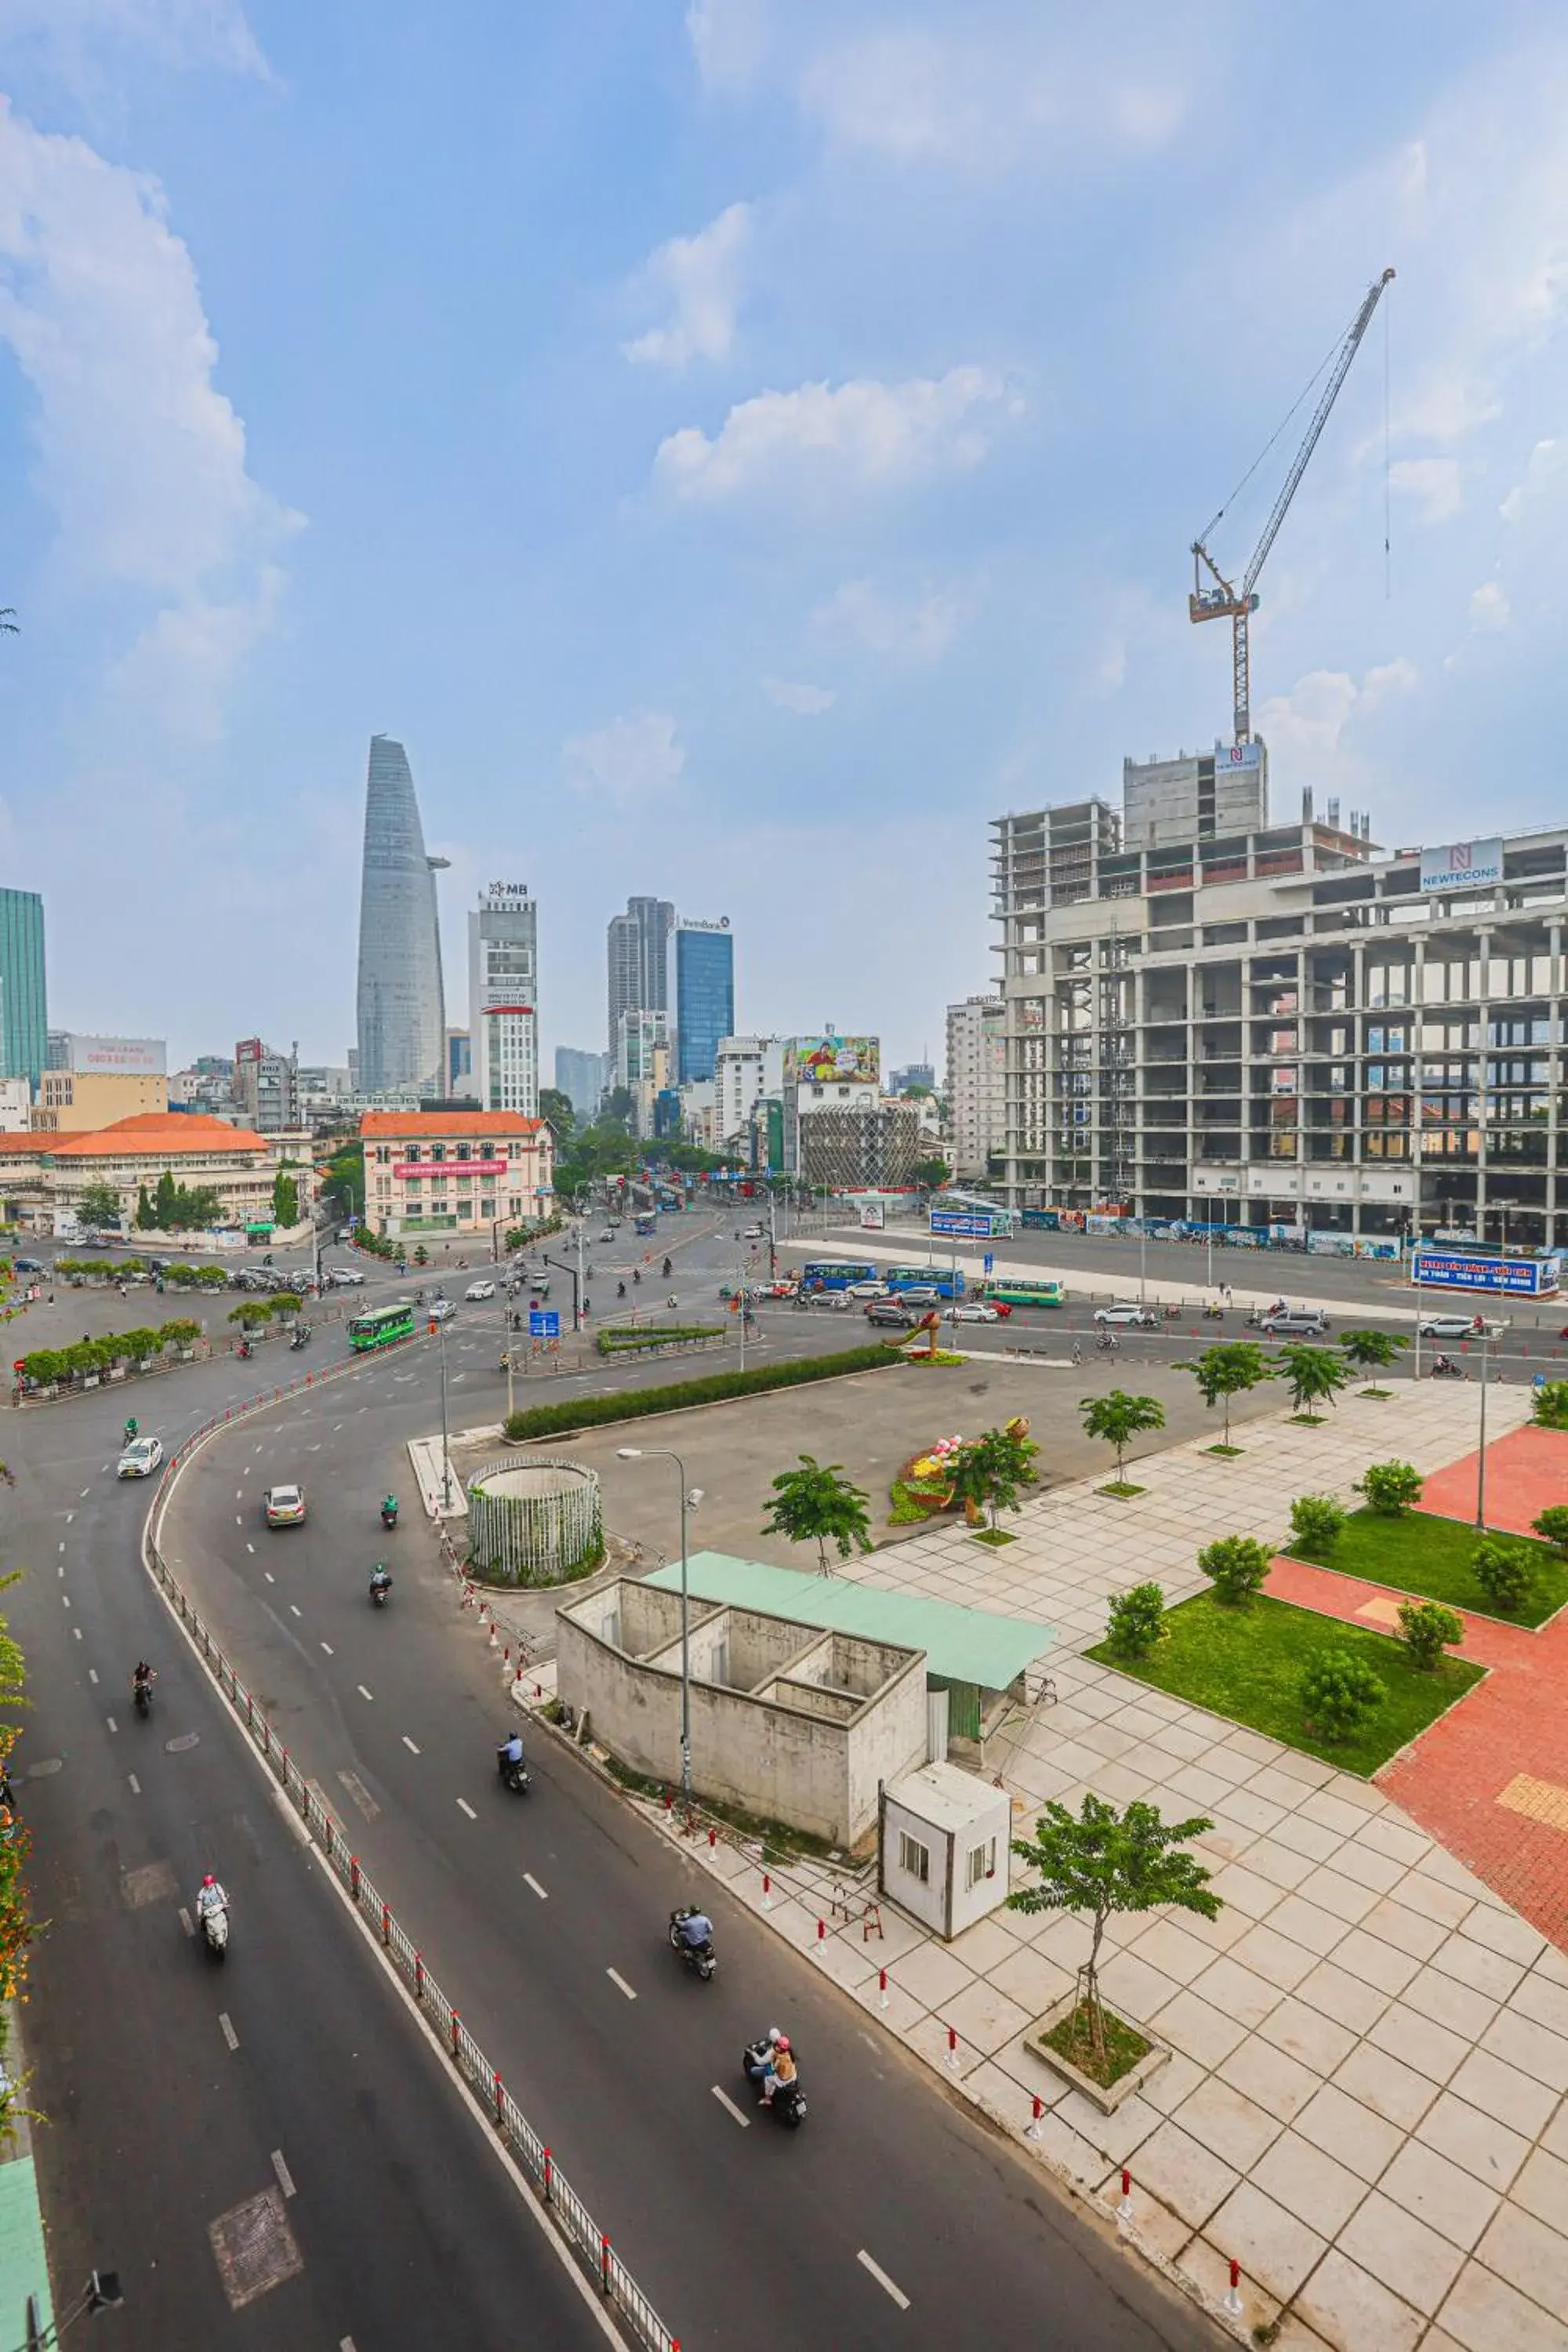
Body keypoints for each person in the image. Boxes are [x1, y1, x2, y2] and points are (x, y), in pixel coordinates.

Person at [760, 2034, 797, 2107]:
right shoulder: (789, 2054)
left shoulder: (779, 2059)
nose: (776, 2047)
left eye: (778, 2046)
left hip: (783, 2080)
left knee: (768, 2079)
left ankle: (767, 2098)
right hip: (792, 2075)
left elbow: (773, 2068)